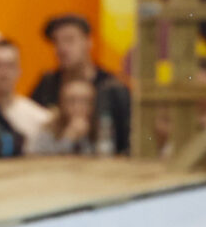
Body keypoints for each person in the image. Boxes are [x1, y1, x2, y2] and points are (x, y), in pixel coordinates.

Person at [31, 13, 132, 153]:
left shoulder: (113, 87)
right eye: (56, 42)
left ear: (89, 42)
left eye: (69, 40)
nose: (61, 48)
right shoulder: (47, 84)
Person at [27, 77, 113, 157]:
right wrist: (68, 138)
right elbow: (37, 160)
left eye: (84, 101)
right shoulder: (48, 130)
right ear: (61, 104)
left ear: (93, 105)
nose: (78, 107)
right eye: (71, 101)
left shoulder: (101, 129)